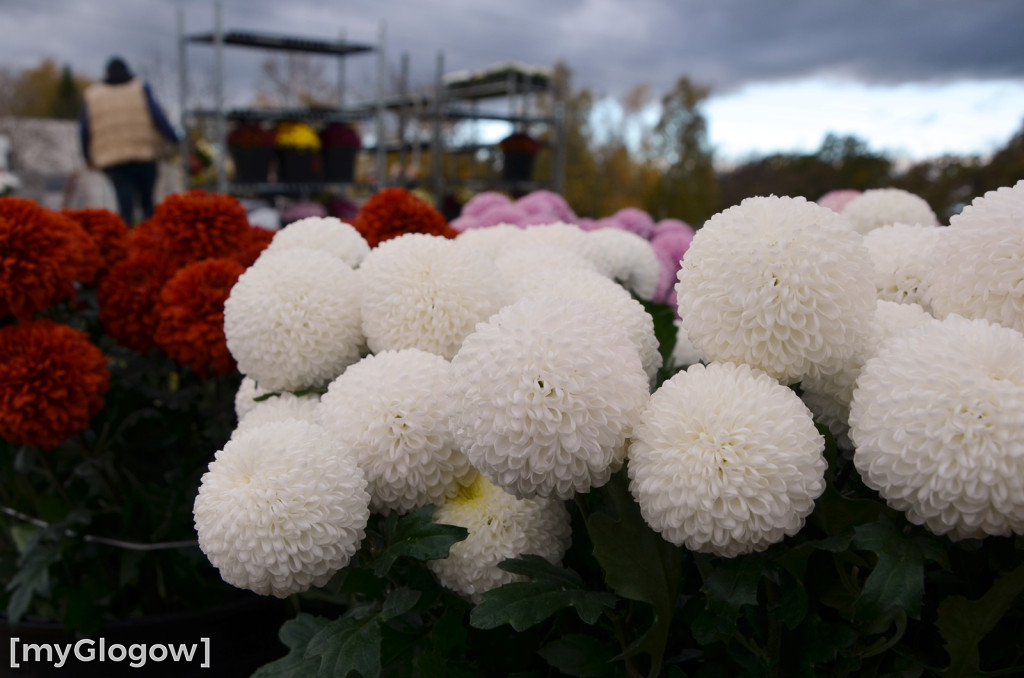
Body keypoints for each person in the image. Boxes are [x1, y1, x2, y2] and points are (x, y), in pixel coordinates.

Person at [79, 56, 179, 224]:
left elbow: (84, 129)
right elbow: (158, 117)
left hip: (114, 159)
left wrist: (87, 157)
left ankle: (127, 241)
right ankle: (152, 240)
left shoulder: (93, 94)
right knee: (147, 202)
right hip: (144, 155)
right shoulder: (139, 87)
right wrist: (174, 139)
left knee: (125, 205)